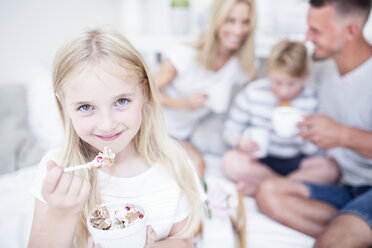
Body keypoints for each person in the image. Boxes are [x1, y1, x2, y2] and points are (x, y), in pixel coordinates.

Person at [27, 27, 204, 248]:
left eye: (121, 101)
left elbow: (185, 241)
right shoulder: (58, 170)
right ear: (63, 105)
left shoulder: (174, 164)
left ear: (144, 92)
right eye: (86, 107)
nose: (107, 124)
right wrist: (61, 215)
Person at [255, 0, 372, 247]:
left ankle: (350, 227)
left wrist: (342, 135)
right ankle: (353, 225)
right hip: (343, 187)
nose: (307, 38)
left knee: (333, 241)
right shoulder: (322, 68)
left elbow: (340, 134)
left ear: (351, 31)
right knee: (267, 193)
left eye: (315, 30)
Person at [222, 40, 340, 196]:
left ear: (305, 76)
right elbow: (230, 130)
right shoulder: (252, 93)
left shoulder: (311, 100)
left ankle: (266, 188)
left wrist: (302, 136)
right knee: (230, 160)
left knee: (330, 169)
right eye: (277, 82)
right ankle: (282, 188)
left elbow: (318, 149)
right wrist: (240, 141)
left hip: (297, 162)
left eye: (292, 84)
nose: (284, 92)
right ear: (267, 72)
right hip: (261, 160)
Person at [154, 0, 257, 176]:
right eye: (230, 20)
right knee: (190, 167)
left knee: (197, 169)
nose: (238, 30)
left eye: (245, 22)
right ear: (216, 21)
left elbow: (254, 96)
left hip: (183, 135)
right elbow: (146, 91)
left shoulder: (239, 65)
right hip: (156, 128)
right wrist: (183, 104)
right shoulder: (185, 54)